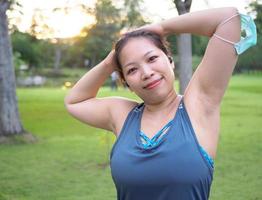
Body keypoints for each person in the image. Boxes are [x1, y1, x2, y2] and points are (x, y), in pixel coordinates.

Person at [64, 7, 256, 200]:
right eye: (132, 70)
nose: (146, 72)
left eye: (152, 58)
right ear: (127, 83)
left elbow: (229, 18)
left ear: (170, 60)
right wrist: (108, 63)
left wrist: (161, 27)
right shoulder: (122, 115)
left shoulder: (199, 105)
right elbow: (75, 102)